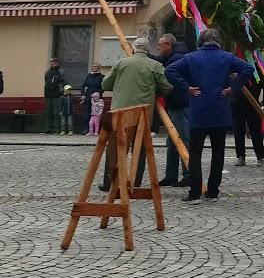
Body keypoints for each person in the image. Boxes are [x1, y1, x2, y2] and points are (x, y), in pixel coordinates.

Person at [168, 28, 253, 203]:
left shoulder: (190, 58)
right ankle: (213, 190)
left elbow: (170, 71)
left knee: (195, 153)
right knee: (218, 153)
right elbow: (247, 68)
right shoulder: (226, 57)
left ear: (201, 41)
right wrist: (233, 87)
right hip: (219, 111)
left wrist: (187, 88)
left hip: (198, 111)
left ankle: (194, 191)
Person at [99, 37, 173, 190]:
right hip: (142, 115)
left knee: (114, 147)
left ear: (133, 49)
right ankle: (135, 182)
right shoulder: (155, 65)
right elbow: (167, 88)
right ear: (147, 50)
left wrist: (121, 87)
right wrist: (152, 90)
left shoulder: (121, 63)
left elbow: (105, 84)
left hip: (119, 113)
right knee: (139, 149)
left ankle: (109, 182)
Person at [155, 33, 191, 186]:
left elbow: (167, 76)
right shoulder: (172, 57)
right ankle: (171, 175)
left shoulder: (177, 59)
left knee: (182, 140)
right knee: (172, 141)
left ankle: (189, 174)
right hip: (175, 104)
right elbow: (160, 61)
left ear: (168, 45)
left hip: (181, 104)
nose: (159, 47)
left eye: (160, 45)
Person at [231, 72, 264, 167]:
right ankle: (240, 156)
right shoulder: (235, 65)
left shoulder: (257, 66)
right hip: (237, 103)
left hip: (253, 103)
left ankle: (260, 156)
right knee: (238, 130)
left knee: (256, 131)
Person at [80, 63, 104, 134]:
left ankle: (96, 130)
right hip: (88, 98)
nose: (93, 68)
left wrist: (98, 94)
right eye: (93, 66)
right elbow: (83, 86)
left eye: (95, 66)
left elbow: (103, 87)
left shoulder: (101, 77)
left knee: (97, 114)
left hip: (97, 100)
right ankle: (87, 129)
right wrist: (83, 94)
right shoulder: (89, 76)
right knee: (87, 113)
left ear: (99, 68)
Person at [43, 58, 65, 134]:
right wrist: (45, 94)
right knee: (48, 112)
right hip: (48, 95)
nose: (54, 64)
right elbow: (46, 83)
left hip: (57, 95)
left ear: (58, 63)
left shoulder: (61, 72)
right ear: (51, 63)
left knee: (57, 113)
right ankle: (48, 129)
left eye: (56, 62)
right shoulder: (47, 72)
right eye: (53, 62)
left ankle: (57, 129)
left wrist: (62, 92)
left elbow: (63, 82)